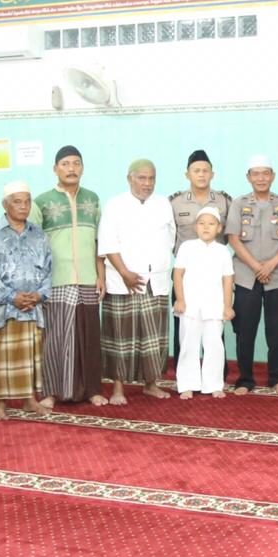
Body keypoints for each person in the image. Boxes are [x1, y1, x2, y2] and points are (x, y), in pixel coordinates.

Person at [30, 145, 107, 407]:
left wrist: (101, 276)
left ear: (82, 167)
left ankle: (92, 389)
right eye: (65, 164)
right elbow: (32, 244)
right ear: (55, 169)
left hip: (87, 278)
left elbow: (100, 242)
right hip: (56, 280)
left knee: (88, 336)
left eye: (76, 163)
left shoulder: (93, 199)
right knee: (56, 337)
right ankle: (51, 392)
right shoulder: (41, 202)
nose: (71, 168)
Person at [98, 159, 176, 404]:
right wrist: (123, 272)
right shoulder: (115, 204)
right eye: (142, 178)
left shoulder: (163, 203)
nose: (147, 183)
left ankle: (151, 384)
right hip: (123, 282)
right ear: (129, 178)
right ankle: (118, 389)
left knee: (154, 338)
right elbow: (108, 242)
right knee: (120, 338)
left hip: (155, 281)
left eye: (151, 178)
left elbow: (170, 239)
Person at [0, 182, 53, 421]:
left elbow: (50, 269)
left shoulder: (39, 234)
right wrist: (12, 297)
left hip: (33, 307)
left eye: (27, 201)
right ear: (5, 204)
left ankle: (29, 400)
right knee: (2, 356)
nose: (23, 207)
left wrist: (39, 294)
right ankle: (0, 404)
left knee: (31, 356)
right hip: (5, 308)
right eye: (17, 201)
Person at [227, 155, 278, 396]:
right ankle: (245, 379)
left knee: (277, 330)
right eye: (256, 174)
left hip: (276, 276)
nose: (261, 178)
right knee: (245, 330)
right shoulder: (238, 203)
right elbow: (233, 238)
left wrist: (271, 264)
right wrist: (257, 266)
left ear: (273, 176)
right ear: (248, 177)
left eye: (265, 173)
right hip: (246, 275)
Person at [169, 149, 234, 357]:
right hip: (185, 274)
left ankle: (216, 376)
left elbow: (230, 233)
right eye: (196, 170)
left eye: (205, 171)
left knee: (214, 327)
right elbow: (169, 236)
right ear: (187, 174)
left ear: (212, 174)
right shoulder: (175, 202)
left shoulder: (224, 201)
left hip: (215, 274)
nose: (201, 175)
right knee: (184, 328)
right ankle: (184, 377)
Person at [173, 206, 234, 399]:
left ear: (219, 228)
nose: (206, 227)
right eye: (201, 223)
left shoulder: (223, 251)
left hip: (214, 305)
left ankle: (214, 384)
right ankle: (187, 384)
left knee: (215, 345)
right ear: (195, 227)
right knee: (188, 344)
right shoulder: (187, 247)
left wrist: (227, 305)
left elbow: (227, 279)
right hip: (190, 305)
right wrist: (180, 300)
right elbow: (178, 274)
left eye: (211, 224)